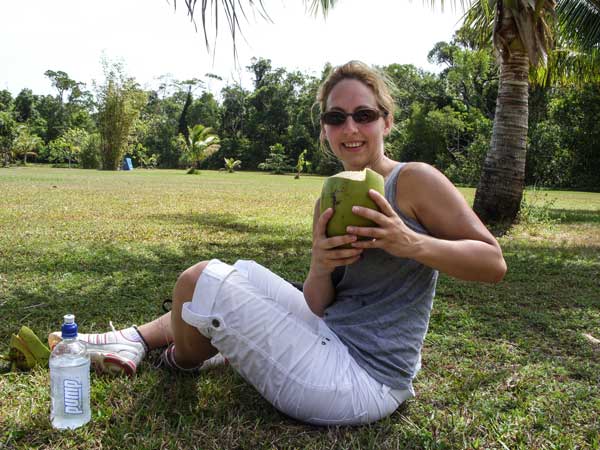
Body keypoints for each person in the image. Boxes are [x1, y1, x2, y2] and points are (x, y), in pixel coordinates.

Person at [49, 61, 507, 426]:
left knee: (199, 281)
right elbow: (318, 302)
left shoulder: (414, 181)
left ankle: (179, 361)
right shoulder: (333, 193)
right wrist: (321, 264)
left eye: (363, 115)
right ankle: (132, 340)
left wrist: (410, 243)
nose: (350, 127)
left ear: (385, 121)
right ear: (325, 127)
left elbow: (493, 263)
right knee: (239, 273)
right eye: (336, 116)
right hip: (330, 337)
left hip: (362, 383)